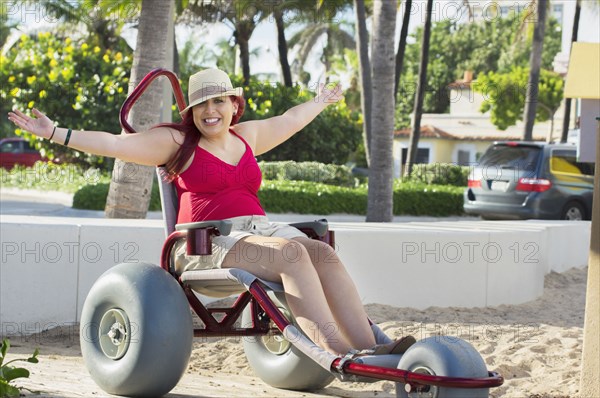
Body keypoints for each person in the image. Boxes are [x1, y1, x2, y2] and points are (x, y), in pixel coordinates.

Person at [8, 68, 414, 357]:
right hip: (206, 243)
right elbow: (114, 144)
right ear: (192, 112)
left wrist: (321, 101)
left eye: (219, 100)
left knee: (322, 253)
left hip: (258, 232)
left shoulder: (247, 136)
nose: (210, 111)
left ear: (233, 104)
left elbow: (290, 119)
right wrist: (56, 133)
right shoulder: (174, 142)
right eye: (201, 104)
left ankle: (371, 347)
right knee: (293, 254)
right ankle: (340, 352)